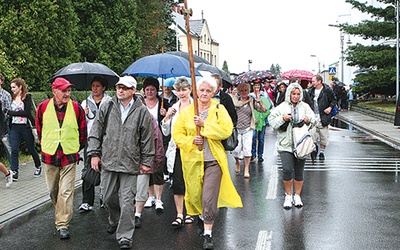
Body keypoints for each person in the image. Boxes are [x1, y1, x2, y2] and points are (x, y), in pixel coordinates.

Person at [172, 77, 243, 250]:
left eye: (208, 91)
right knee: (195, 196)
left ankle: (208, 233)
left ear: (213, 92)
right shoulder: (187, 112)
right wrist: (192, 141)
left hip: (213, 161)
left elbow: (225, 130)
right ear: (196, 91)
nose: (204, 94)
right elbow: (177, 134)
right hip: (193, 162)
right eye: (201, 90)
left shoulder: (219, 109)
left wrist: (205, 126)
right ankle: (201, 218)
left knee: (209, 197)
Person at [87, 76, 155, 249]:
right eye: (119, 87)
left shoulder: (142, 112)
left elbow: (147, 139)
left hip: (130, 163)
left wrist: (147, 161)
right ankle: (114, 219)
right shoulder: (107, 106)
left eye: (125, 88)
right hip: (108, 161)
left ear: (133, 90)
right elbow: (96, 131)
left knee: (127, 201)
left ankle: (125, 235)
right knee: (108, 198)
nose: (120, 90)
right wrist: (94, 154)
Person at [36, 77, 87, 239]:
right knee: (53, 191)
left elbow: (83, 133)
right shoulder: (42, 107)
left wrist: (75, 148)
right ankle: (61, 211)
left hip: (69, 155)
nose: (67, 93)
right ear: (54, 91)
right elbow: (39, 129)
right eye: (63, 90)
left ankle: (62, 224)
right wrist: (46, 145)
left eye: (69, 90)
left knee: (65, 191)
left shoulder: (77, 108)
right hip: (50, 155)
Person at [268, 83, 316, 209]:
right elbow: (271, 121)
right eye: (293, 94)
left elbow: (314, 119)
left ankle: (297, 195)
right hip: (285, 144)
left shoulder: (305, 106)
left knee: (299, 171)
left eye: (298, 94)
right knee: (287, 169)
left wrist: (308, 119)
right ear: (289, 94)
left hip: (301, 144)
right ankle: (288, 195)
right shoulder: (281, 107)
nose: (295, 96)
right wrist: (283, 118)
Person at [160, 77, 194, 226]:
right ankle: (179, 214)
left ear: (190, 89)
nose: (181, 93)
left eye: (184, 90)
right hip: (178, 150)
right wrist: (167, 117)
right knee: (178, 183)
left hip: (193, 150)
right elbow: (166, 132)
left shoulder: (197, 107)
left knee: (192, 183)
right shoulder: (174, 107)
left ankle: (191, 212)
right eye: (178, 90)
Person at [78, 76, 112, 212]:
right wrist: (83, 114)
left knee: (106, 168)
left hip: (106, 140)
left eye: (98, 86)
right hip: (90, 140)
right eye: (93, 86)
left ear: (104, 87)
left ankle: (105, 197)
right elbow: (80, 123)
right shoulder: (85, 102)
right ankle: (87, 201)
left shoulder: (110, 102)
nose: (95, 89)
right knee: (88, 168)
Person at [142, 77, 170, 211]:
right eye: (147, 89)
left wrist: (165, 115)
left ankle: (159, 199)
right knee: (147, 168)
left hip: (160, 140)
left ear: (156, 90)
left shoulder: (164, 103)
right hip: (145, 141)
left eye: (152, 89)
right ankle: (150, 196)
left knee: (158, 168)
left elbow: (169, 123)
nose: (149, 92)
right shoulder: (140, 104)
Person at [7, 78, 41, 180]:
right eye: (11, 87)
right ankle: (15, 171)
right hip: (15, 126)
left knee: (31, 148)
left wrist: (11, 113)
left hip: (25, 126)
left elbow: (26, 112)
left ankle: (38, 165)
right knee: (14, 149)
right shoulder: (12, 98)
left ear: (20, 87)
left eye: (14, 87)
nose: (12, 89)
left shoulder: (27, 98)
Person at [230, 82, 266, 178]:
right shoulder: (235, 99)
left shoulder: (252, 100)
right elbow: (236, 104)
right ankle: (237, 162)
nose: (244, 92)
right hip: (237, 128)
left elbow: (263, 110)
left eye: (246, 90)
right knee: (236, 150)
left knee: (247, 150)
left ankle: (246, 168)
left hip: (248, 128)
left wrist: (258, 101)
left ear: (249, 90)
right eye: (241, 90)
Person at [307, 75, 337, 161]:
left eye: (313, 81)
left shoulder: (327, 91)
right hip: (313, 118)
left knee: (323, 137)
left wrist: (330, 107)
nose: (312, 83)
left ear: (319, 81)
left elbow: (334, 100)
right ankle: (314, 149)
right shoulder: (310, 91)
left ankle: (322, 152)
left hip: (323, 117)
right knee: (312, 135)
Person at [249, 81, 272, 162]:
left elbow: (269, 106)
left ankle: (260, 155)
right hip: (253, 120)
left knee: (261, 138)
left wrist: (260, 101)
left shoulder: (264, 95)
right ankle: (253, 153)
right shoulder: (250, 96)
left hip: (262, 119)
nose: (256, 87)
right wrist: (252, 118)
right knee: (253, 137)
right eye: (255, 85)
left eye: (258, 85)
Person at [161, 83, 177, 182]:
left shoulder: (176, 99)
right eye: (164, 86)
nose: (166, 88)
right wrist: (165, 115)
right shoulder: (161, 99)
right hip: (165, 131)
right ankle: (167, 172)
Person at [0, 73, 13, 163]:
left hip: (4, 125)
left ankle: (13, 168)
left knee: (8, 148)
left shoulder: (6, 95)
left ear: (1, 81)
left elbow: (9, 110)